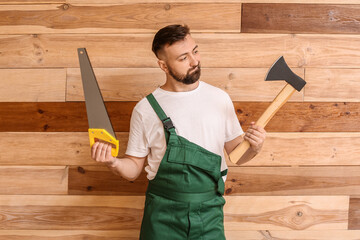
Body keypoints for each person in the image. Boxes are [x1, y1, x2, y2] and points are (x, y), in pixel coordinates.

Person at [91, 24, 266, 240]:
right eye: (183, 58)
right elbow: (133, 168)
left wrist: (255, 147)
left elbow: (238, 155)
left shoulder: (219, 99)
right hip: (162, 216)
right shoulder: (146, 109)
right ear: (163, 66)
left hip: (209, 212)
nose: (194, 61)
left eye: (195, 51)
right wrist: (113, 162)